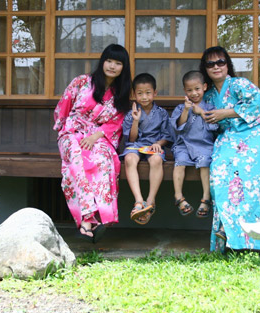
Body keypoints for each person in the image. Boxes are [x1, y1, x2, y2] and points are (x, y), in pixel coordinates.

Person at [200, 46, 260, 252]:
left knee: (252, 182)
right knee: (220, 175)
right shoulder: (208, 94)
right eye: (210, 64)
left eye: (220, 62)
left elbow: (257, 105)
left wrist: (224, 113)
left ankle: (257, 240)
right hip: (229, 140)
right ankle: (229, 235)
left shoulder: (240, 84)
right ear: (205, 69)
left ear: (228, 64)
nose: (216, 67)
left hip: (257, 136)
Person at [53, 44, 132, 243]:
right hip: (72, 132)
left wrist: (95, 136)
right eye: (109, 61)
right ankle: (87, 218)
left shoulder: (120, 94)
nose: (112, 66)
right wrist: (65, 131)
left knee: (103, 160)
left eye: (118, 63)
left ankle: (100, 217)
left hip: (99, 137)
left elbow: (116, 124)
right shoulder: (81, 82)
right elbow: (64, 107)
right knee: (77, 160)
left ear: (124, 67)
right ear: (102, 61)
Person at [119, 73, 173, 225]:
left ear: (155, 93)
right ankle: (138, 201)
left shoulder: (161, 113)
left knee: (156, 159)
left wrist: (159, 144)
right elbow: (131, 139)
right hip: (136, 145)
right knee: (129, 158)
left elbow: (167, 135)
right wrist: (135, 121)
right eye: (140, 93)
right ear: (134, 94)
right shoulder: (131, 114)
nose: (144, 97)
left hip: (153, 145)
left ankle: (150, 200)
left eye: (148, 93)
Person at [170, 70, 218, 218]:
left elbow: (214, 126)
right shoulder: (181, 107)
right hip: (184, 144)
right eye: (189, 90)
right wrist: (186, 110)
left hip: (204, 145)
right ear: (185, 91)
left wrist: (201, 111)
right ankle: (178, 197)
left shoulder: (210, 107)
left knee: (205, 162)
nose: (194, 93)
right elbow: (178, 126)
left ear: (204, 87)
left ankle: (206, 198)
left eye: (197, 89)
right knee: (180, 162)